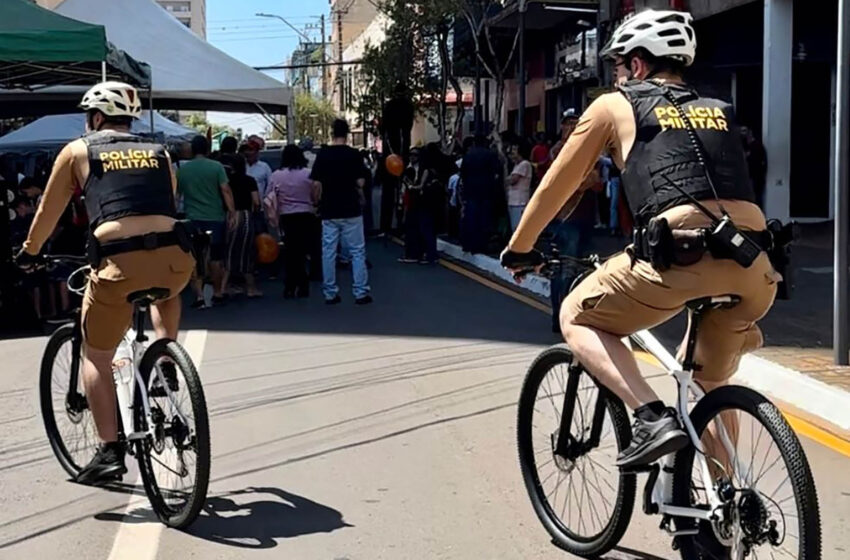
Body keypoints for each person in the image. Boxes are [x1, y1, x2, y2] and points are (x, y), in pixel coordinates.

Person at [501, 10, 777, 470]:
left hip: (679, 258)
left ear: (640, 66)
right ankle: (723, 512)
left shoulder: (614, 106)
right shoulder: (718, 109)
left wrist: (520, 246)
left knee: (576, 314)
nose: (617, 76)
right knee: (708, 383)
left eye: (620, 65)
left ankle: (650, 418)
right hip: (755, 267)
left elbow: (557, 185)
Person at [15, 82, 195, 484]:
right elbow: (164, 200)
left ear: (95, 118)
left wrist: (29, 252)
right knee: (165, 289)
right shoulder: (159, 151)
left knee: (96, 353)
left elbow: (49, 210)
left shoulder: (79, 150)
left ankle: (110, 450)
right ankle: (166, 358)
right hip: (175, 256)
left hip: (118, 261)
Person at [310, 119, 372, 305]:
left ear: (332, 133)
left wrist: (316, 203)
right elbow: (360, 182)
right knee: (357, 251)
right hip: (351, 208)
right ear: (347, 133)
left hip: (329, 209)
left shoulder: (323, 154)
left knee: (328, 251)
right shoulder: (354, 155)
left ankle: (330, 292)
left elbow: (315, 184)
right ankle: (360, 292)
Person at [178, 135, 235, 308]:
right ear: (208, 149)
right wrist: (231, 212)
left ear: (192, 150)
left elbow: (176, 195)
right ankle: (218, 292)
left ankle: (199, 296)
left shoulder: (183, 170)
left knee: (194, 258)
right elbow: (225, 190)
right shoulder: (216, 167)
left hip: (192, 218)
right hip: (215, 218)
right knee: (215, 257)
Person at [268, 145, 320, 298]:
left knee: (291, 251)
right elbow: (315, 194)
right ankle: (303, 285)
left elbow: (271, 195)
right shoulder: (308, 174)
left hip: (287, 216)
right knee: (303, 250)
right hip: (306, 215)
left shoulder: (276, 175)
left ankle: (290, 285)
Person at [219, 153, 262, 298]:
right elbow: (256, 202)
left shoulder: (225, 181)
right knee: (247, 252)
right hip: (245, 217)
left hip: (228, 216)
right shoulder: (249, 180)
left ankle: (222, 287)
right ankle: (251, 288)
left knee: (229, 252)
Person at [459, 134, 502, 254]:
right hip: (486, 190)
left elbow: (463, 173)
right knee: (484, 218)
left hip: (471, 190)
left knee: (471, 218)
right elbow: (496, 171)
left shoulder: (468, 155)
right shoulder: (490, 155)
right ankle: (481, 244)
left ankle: (469, 244)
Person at [398, 147, 438, 264]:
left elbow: (420, 186)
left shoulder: (425, 170)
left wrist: (412, 187)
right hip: (413, 202)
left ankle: (429, 254)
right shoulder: (408, 169)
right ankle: (415, 253)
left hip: (424, 202)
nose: (412, 157)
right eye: (410, 154)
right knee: (413, 228)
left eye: (415, 155)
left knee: (425, 229)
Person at [506, 143, 534, 232]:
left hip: (519, 202)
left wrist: (507, 179)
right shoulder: (516, 165)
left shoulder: (524, 164)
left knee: (517, 228)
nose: (512, 155)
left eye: (514, 152)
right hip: (513, 201)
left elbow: (513, 180)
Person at [740, 126, 768, 209]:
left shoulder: (757, 146)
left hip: (755, 178)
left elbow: (761, 163)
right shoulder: (742, 146)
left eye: (744, 131)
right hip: (745, 178)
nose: (742, 133)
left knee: (756, 200)